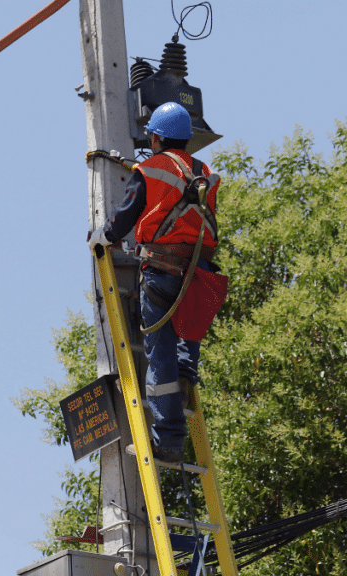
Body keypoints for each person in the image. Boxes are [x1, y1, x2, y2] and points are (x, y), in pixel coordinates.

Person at [88, 102, 222, 464]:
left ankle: (170, 442)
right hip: (200, 273)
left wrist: (103, 236)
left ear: (157, 136)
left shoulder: (150, 170)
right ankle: (184, 377)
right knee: (186, 341)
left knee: (159, 353)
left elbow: (126, 216)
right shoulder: (206, 173)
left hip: (163, 271)